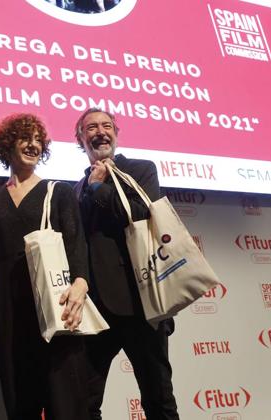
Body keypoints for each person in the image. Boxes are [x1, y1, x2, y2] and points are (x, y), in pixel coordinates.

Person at [0, 113, 90, 420]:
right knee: (18, 389)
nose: (33, 145)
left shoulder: (57, 191)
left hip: (54, 298)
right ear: (8, 144)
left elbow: (76, 241)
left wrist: (81, 282)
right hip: (7, 303)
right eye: (26, 138)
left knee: (62, 389)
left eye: (38, 140)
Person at [74, 107, 179, 420]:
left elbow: (141, 212)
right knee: (83, 404)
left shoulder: (140, 169)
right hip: (94, 312)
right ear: (80, 139)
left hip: (142, 306)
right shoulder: (75, 188)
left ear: (116, 133)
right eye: (91, 127)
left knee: (158, 400)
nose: (100, 132)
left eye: (107, 125)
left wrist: (98, 188)